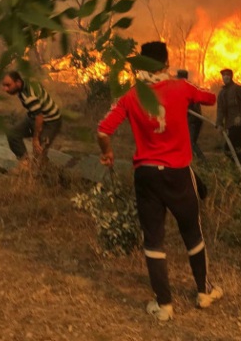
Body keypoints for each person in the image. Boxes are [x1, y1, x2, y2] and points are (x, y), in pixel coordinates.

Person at [96, 41, 223, 321]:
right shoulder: (181, 87)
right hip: (178, 173)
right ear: (166, 63)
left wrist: (107, 154)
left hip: (146, 175)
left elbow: (103, 130)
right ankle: (204, 292)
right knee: (192, 232)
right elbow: (210, 97)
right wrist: (184, 83)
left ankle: (164, 305)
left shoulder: (131, 96)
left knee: (153, 238)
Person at [1, 71, 62, 168]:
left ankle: (47, 172)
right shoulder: (24, 84)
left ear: (18, 82)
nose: (5, 89)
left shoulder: (29, 97)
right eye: (4, 85)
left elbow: (39, 117)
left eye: (8, 85)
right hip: (33, 116)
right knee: (13, 134)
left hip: (50, 121)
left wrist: (35, 138)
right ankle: (25, 163)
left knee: (38, 151)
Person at [215, 68, 241, 164]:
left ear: (231, 77)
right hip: (230, 123)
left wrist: (240, 116)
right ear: (222, 78)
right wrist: (219, 124)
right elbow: (220, 110)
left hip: (239, 122)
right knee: (235, 147)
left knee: (229, 148)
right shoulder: (222, 93)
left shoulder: (237, 89)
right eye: (224, 75)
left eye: (228, 75)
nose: (226, 77)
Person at [177, 69, 206, 161]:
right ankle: (191, 160)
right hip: (190, 119)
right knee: (187, 142)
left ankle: (203, 160)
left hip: (193, 119)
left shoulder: (188, 88)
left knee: (190, 142)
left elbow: (192, 105)